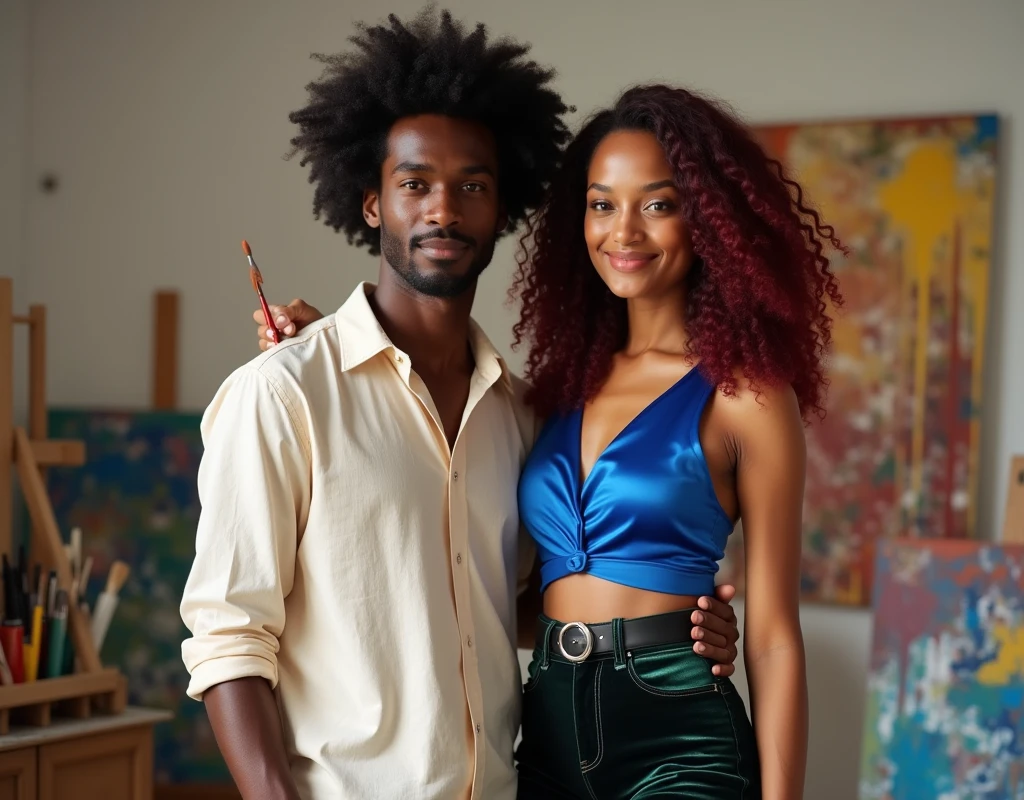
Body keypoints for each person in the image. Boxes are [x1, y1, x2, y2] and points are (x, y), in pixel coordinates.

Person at [182, 8, 740, 800]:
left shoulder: (518, 414)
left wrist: (676, 630)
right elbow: (229, 638)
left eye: (470, 186)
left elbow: (510, 605)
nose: (443, 209)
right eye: (414, 184)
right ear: (372, 202)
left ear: (500, 208)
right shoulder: (282, 395)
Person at [259, 84, 844, 799]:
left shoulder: (746, 396)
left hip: (679, 732)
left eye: (658, 204)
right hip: (543, 733)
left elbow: (777, 636)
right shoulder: (545, 394)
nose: (622, 232)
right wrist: (328, 344)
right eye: (602, 204)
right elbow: (493, 579)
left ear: (709, 223)